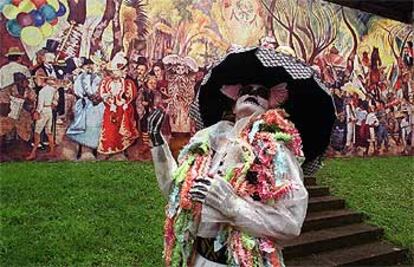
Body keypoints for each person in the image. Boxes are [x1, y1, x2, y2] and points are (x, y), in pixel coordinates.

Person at [149, 83, 308, 266]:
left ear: (270, 108)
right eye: (245, 91)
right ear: (233, 105)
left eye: (261, 93)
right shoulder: (206, 143)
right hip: (196, 258)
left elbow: (291, 224)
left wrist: (233, 207)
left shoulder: (276, 152)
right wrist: (157, 143)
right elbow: (176, 193)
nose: (252, 94)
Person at [97, 52, 139, 157]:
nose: (114, 74)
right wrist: (110, 102)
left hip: (122, 109)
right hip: (111, 109)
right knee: (110, 128)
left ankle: (123, 149)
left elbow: (131, 94)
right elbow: (103, 93)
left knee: (122, 129)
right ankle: (109, 149)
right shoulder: (106, 81)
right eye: (113, 72)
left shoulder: (127, 82)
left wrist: (125, 102)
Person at [66, 58, 104, 160]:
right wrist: (88, 97)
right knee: (83, 126)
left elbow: (101, 88)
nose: (89, 68)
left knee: (96, 127)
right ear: (83, 67)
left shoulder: (97, 77)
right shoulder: (80, 78)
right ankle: (81, 150)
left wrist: (97, 97)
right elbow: (78, 90)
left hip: (96, 105)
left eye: (91, 66)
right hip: (85, 103)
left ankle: (95, 149)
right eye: (87, 66)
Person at [26, 77, 59, 160]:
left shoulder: (42, 91)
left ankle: (33, 153)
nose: (36, 82)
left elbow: (40, 105)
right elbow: (55, 100)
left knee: (37, 133)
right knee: (49, 132)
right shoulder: (53, 90)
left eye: (37, 80)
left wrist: (37, 112)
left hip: (43, 111)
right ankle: (52, 151)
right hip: (49, 111)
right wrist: (52, 105)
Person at [0, 73, 36, 148]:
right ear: (18, 82)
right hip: (9, 113)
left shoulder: (28, 90)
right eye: (24, 80)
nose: (27, 82)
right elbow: (3, 104)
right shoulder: (7, 89)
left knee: (26, 124)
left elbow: (33, 101)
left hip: (23, 112)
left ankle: (24, 145)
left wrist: (26, 101)